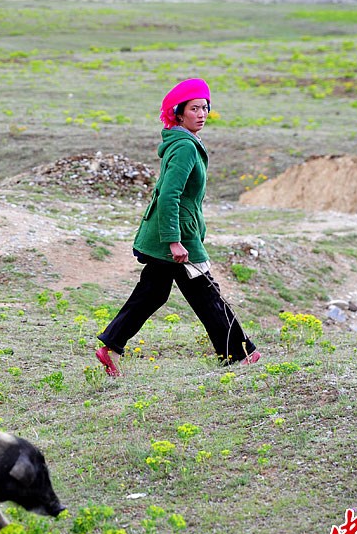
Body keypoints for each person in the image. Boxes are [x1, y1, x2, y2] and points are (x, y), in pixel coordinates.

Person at [95, 78, 260, 376]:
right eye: (194, 108)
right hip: (176, 237)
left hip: (172, 233)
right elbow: (169, 194)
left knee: (153, 293)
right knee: (207, 292)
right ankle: (239, 352)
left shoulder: (184, 142)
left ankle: (110, 347)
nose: (201, 113)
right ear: (179, 113)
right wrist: (175, 241)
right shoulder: (184, 147)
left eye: (205, 108)